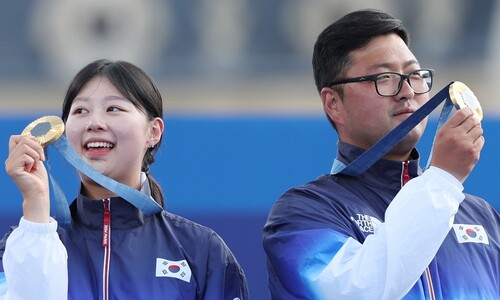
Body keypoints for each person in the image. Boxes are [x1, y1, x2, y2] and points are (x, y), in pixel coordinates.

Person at [263, 9, 500, 300]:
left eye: (415, 75)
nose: (407, 91)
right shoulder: (304, 215)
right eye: (384, 77)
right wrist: (442, 179)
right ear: (334, 103)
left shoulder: (483, 218)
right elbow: (356, 293)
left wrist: (442, 184)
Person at [0, 59, 249, 299]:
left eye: (113, 109)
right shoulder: (17, 248)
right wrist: (36, 206)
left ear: (153, 132)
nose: (94, 123)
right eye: (80, 111)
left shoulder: (203, 252)